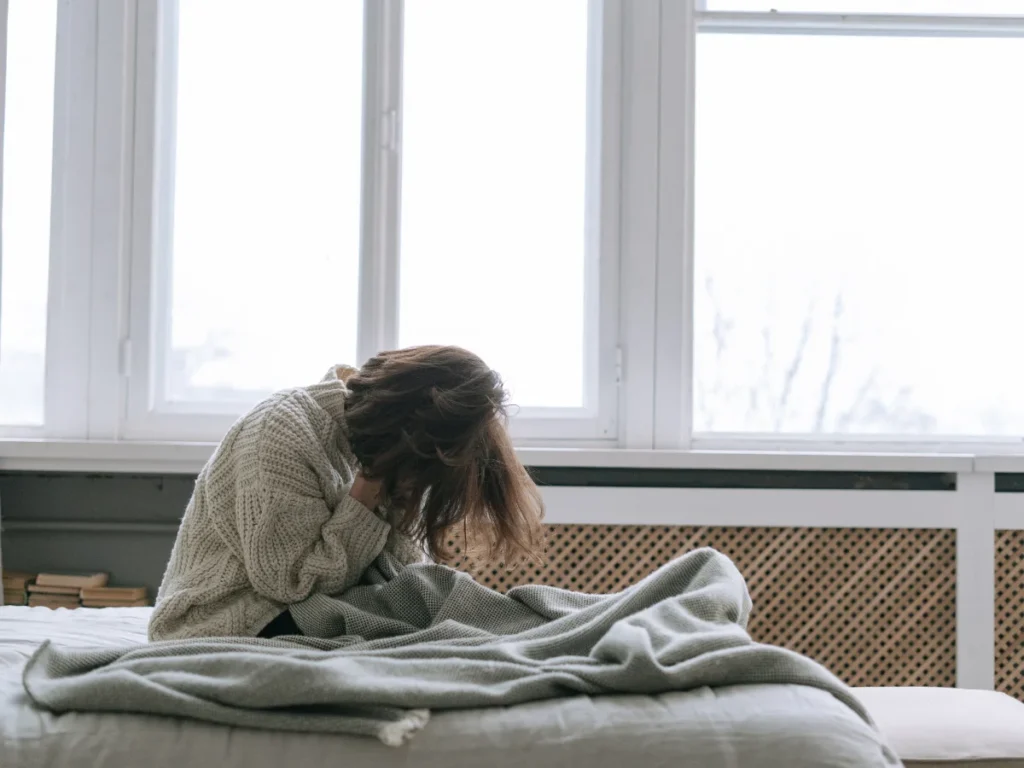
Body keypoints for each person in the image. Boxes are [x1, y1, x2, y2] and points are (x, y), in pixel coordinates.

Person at [148, 345, 544, 641]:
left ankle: (548, 625)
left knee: (428, 595)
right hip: (224, 620)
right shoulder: (282, 431)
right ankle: (543, 631)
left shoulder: (381, 447)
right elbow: (291, 583)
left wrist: (390, 499)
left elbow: (397, 574)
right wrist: (365, 495)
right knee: (431, 601)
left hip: (296, 610)